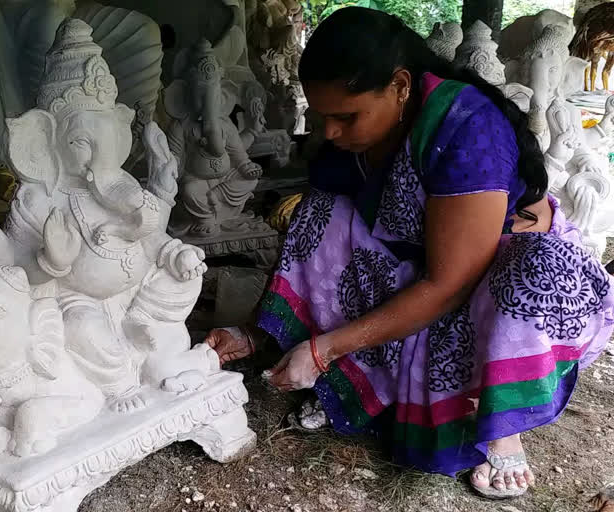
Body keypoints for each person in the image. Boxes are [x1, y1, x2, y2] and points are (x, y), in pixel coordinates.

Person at [204, 8, 614, 500]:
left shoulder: (467, 130)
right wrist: (255, 328)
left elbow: (451, 282)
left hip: (496, 265)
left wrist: (325, 348)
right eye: (321, 116)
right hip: (415, 250)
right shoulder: (361, 133)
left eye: (345, 116)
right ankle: (307, 354)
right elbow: (332, 227)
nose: (329, 132)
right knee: (319, 212)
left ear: (400, 86)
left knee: (523, 278)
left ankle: (502, 422)